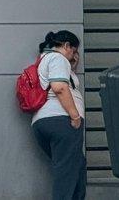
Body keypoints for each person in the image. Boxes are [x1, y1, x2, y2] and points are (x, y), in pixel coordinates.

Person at [31, 30, 86, 200]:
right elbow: (59, 87)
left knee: (77, 166)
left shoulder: (45, 60)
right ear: (66, 46)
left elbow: (64, 82)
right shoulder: (57, 58)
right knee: (66, 173)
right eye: (74, 51)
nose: (74, 55)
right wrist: (75, 116)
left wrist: (73, 66)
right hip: (62, 121)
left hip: (44, 122)